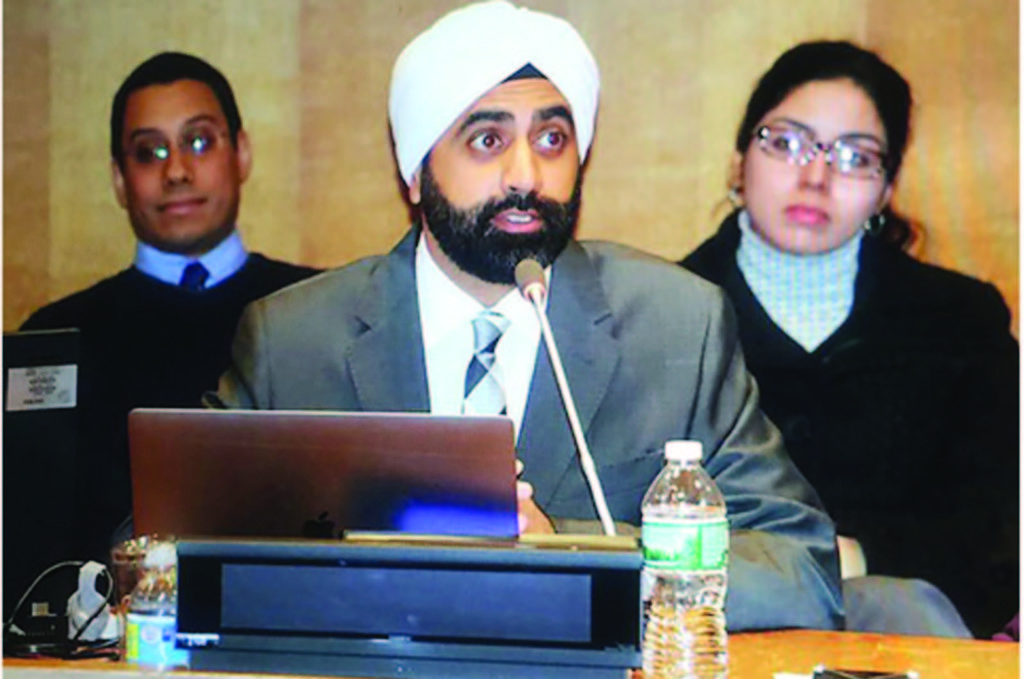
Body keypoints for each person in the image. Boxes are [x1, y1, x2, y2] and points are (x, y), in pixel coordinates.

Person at [210, 0, 843, 632]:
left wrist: (565, 551)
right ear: (414, 173)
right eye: (488, 140)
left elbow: (800, 570)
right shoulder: (292, 342)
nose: (525, 174)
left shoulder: (676, 327)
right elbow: (161, 552)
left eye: (552, 139)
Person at [680, 41, 1018, 638]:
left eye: (854, 157)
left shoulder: (962, 320)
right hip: (713, 632)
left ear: (885, 191)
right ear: (739, 162)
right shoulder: (666, 310)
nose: (815, 176)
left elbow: (996, 532)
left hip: (914, 635)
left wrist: (848, 559)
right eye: (785, 143)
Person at [21, 52, 320, 563]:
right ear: (119, 179)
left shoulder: (321, 314)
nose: (177, 171)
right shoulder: (53, 340)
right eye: (148, 152)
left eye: (198, 142)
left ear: (242, 154)